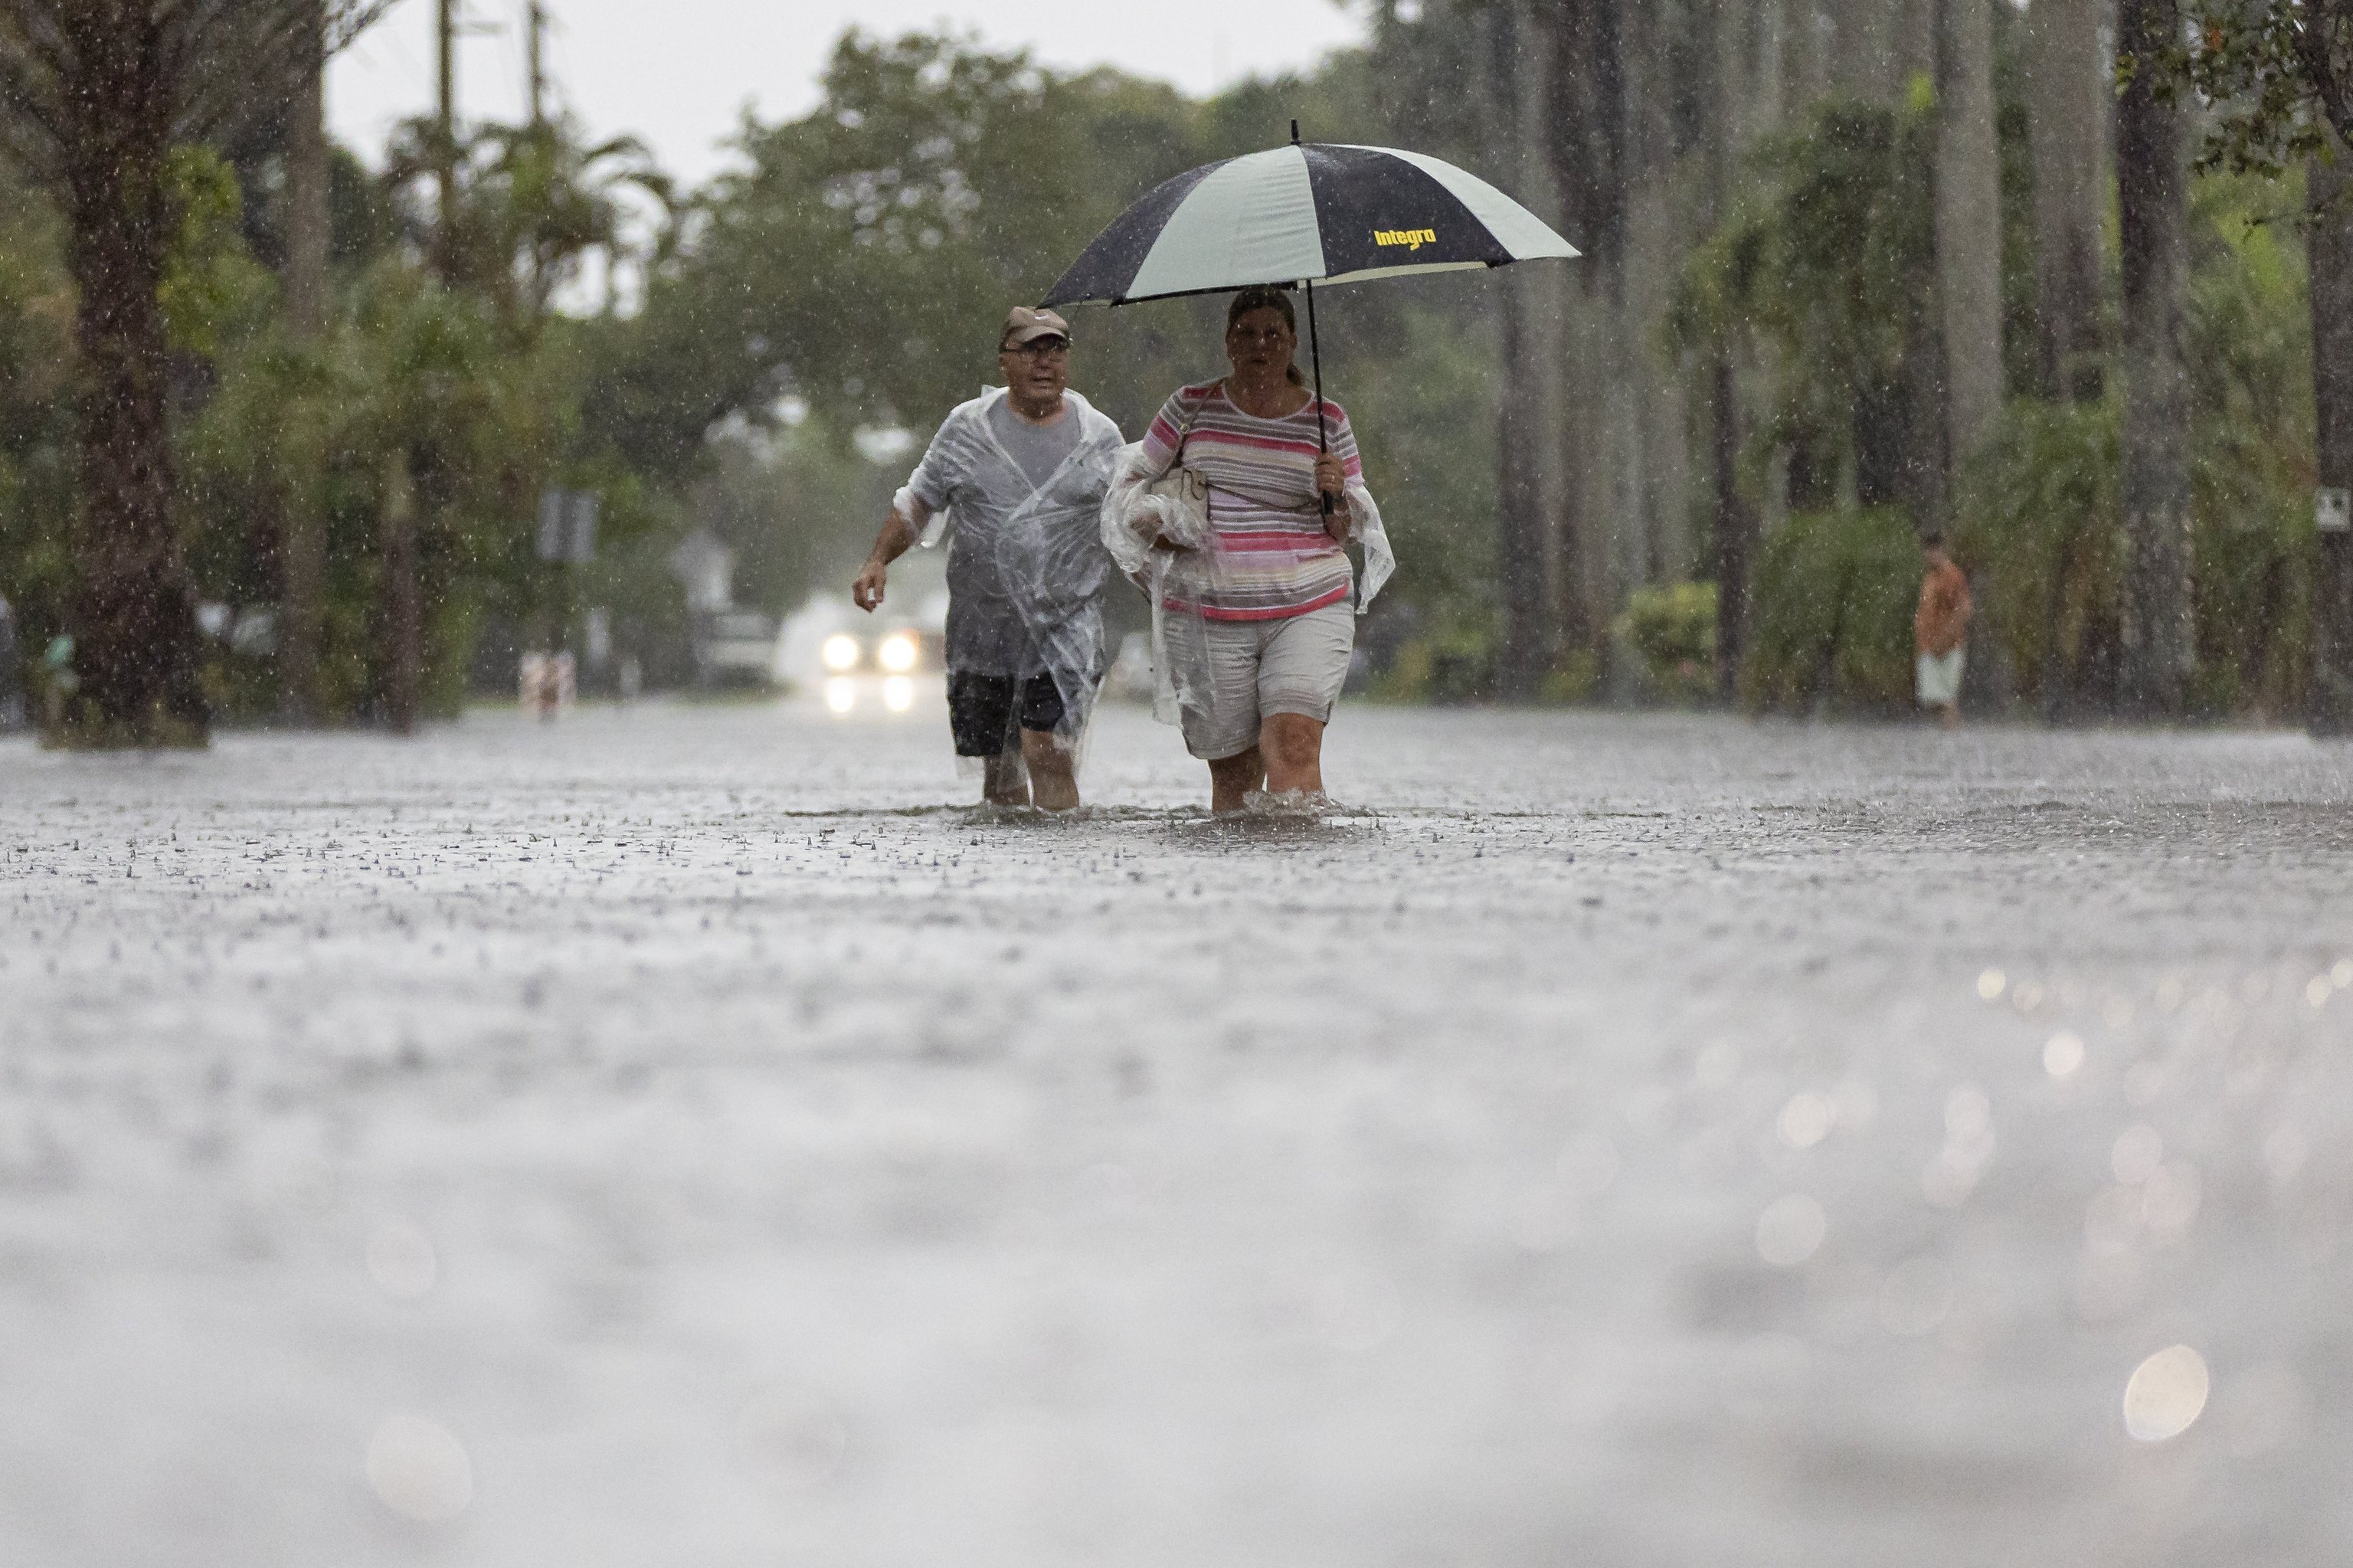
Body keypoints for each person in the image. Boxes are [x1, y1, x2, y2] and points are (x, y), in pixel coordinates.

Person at [1103, 286, 1392, 813]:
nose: (1261, 345)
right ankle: (1243, 887)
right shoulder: (1190, 407)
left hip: (1309, 600)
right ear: (1228, 343)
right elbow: (1128, 489)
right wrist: (1156, 522)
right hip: (1209, 609)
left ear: (1293, 343)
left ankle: (1301, 880)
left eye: (1273, 334)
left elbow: (1345, 528)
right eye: (1247, 333)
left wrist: (1337, 492)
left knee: (1294, 743)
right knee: (1235, 776)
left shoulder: (1328, 421)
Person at [853, 306, 1124, 810]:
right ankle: (1007, 873)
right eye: (1030, 350)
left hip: (1064, 626)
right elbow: (918, 501)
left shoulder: (1098, 437)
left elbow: (1129, 518)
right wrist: (877, 561)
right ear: (1005, 360)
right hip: (985, 629)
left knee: (1046, 749)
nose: (1044, 363)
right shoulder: (967, 429)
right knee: (1000, 765)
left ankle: (1060, 866)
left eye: (1056, 350)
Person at [1915, 534, 1972, 729]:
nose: (1930, 556)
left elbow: (1964, 609)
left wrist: (1946, 639)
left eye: (1933, 551)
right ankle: (1951, 731)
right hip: (1927, 646)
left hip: (1949, 646)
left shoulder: (1953, 576)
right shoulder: (1929, 579)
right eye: (1927, 551)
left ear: (1941, 550)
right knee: (1931, 698)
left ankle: (1953, 736)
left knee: (1947, 696)